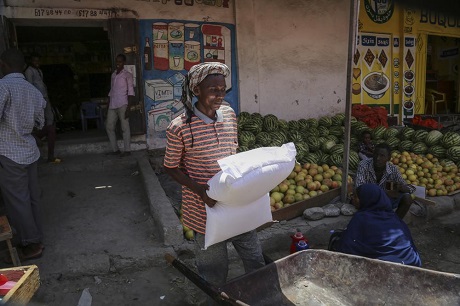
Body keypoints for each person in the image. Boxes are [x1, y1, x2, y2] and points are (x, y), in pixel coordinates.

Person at [163, 62, 265, 290]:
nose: (220, 95)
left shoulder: (229, 115)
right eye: (213, 90)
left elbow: (233, 153)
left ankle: (260, 295)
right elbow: (170, 167)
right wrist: (199, 189)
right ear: (197, 90)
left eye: (223, 89)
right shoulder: (179, 127)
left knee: (255, 260)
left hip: (236, 205)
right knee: (214, 271)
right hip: (204, 211)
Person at [0, 49, 46, 261]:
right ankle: (36, 237)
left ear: (4, 65)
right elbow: (40, 123)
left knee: (17, 201)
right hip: (29, 152)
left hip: (9, 152)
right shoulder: (34, 91)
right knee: (32, 198)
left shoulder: (3, 87)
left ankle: (31, 244)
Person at [332, 183, 421, 267]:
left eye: (356, 197)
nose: (353, 199)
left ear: (366, 199)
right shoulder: (394, 217)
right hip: (411, 262)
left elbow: (346, 247)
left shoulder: (361, 218)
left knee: (336, 239)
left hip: (387, 267)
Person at [355, 143, 415, 219]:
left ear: (388, 158)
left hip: (385, 201)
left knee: (407, 198)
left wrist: (402, 188)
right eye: (376, 154)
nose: (378, 158)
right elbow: (359, 188)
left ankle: (395, 223)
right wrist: (385, 193)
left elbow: (410, 188)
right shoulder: (363, 165)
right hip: (369, 201)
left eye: (382, 156)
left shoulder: (393, 169)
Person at [24, 53, 61, 163]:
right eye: (35, 61)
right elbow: (30, 86)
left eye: (38, 61)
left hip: (45, 97)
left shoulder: (39, 71)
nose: (37, 63)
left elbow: (41, 83)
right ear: (31, 61)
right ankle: (44, 136)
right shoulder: (29, 71)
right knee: (39, 121)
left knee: (50, 117)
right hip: (37, 100)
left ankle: (50, 135)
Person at [106, 54, 135, 157]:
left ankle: (127, 151)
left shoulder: (127, 75)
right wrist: (108, 103)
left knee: (125, 128)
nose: (118, 63)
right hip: (113, 104)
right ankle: (115, 150)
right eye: (117, 61)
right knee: (109, 127)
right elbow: (111, 90)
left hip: (123, 104)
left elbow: (131, 92)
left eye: (120, 61)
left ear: (124, 63)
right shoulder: (113, 75)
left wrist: (128, 108)